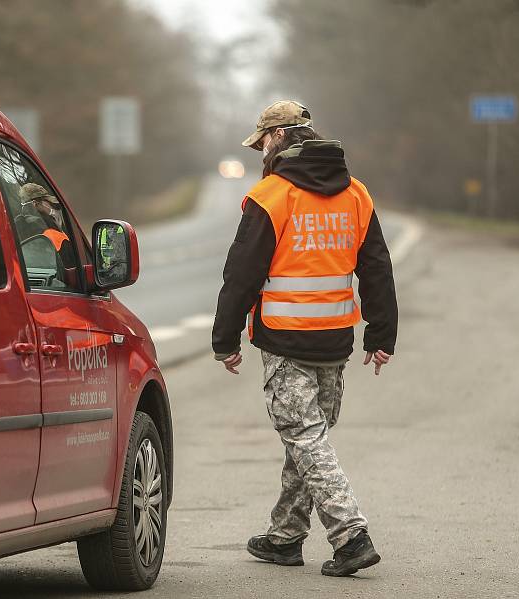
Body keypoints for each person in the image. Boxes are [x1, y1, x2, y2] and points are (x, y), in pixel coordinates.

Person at [211, 100, 397, 577]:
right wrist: (381, 333)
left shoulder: (272, 195)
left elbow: (242, 273)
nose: (260, 153)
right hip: (335, 340)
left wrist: (225, 338)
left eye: (262, 143)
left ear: (276, 139)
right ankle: (285, 537)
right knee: (308, 437)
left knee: (306, 438)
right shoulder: (355, 193)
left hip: (286, 340)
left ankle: (350, 533)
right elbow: (375, 265)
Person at [17, 182, 76, 269]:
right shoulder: (45, 229)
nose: (52, 207)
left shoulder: (18, 225)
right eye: (48, 202)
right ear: (35, 204)